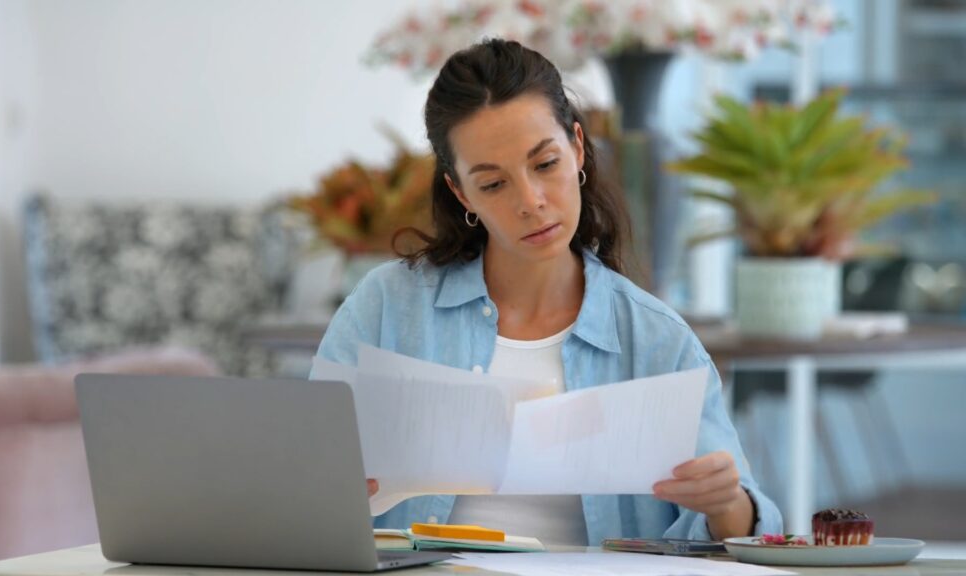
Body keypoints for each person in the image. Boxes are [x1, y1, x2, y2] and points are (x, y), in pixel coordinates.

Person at [315, 38, 782, 546]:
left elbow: (749, 534)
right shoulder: (386, 308)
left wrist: (727, 503)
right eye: (494, 184)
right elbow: (304, 480)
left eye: (545, 164)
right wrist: (327, 491)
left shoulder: (657, 340)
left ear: (578, 148)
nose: (531, 202)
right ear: (460, 192)